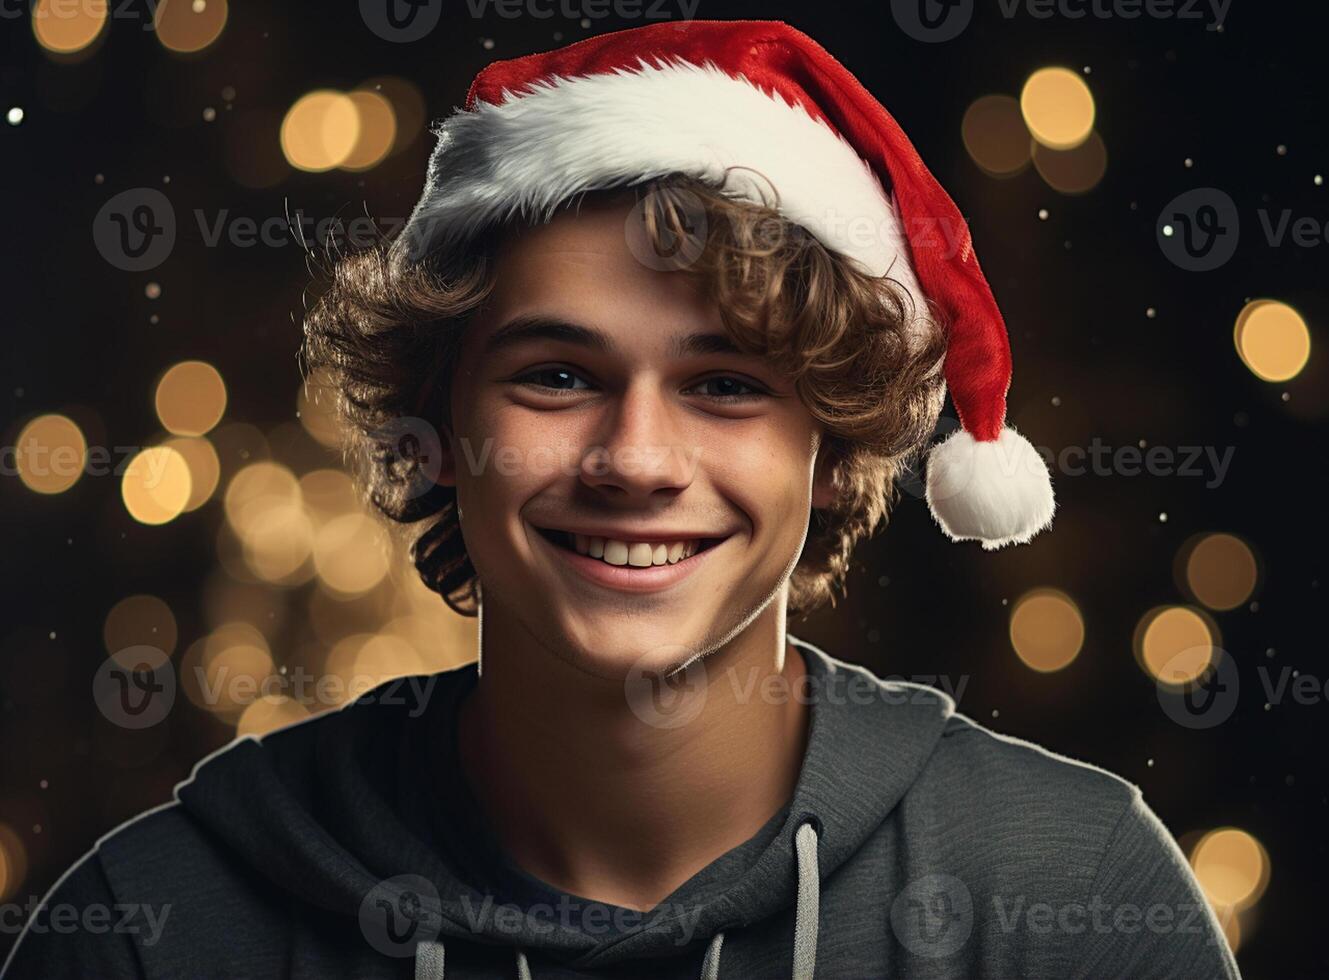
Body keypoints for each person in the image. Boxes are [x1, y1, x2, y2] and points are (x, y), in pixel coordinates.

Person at [5, 19, 1239, 979]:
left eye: (724, 384)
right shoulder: (154, 928)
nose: (636, 458)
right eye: (556, 374)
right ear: (437, 424)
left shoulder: (1072, 897)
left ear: (834, 438)